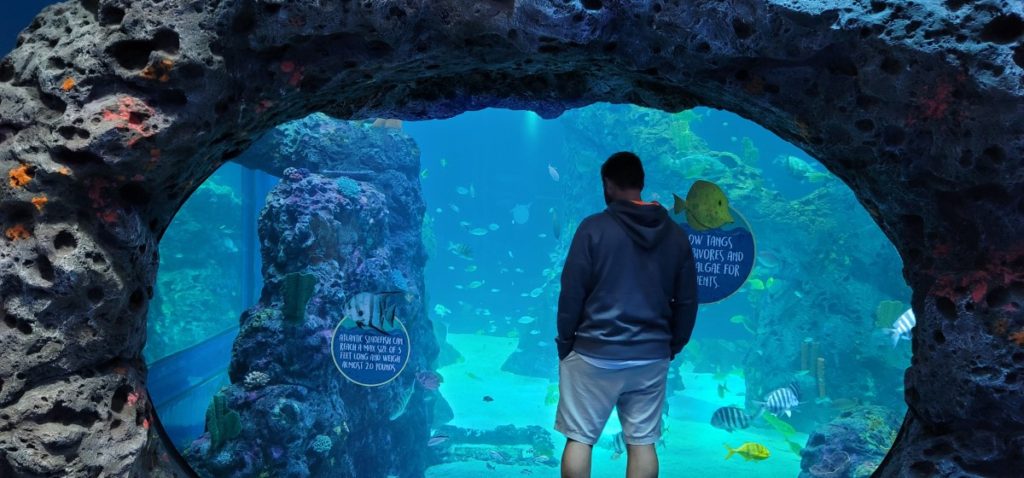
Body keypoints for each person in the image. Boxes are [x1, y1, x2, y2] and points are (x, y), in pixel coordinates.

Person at [554, 151, 699, 478]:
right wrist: (671, 345)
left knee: (579, 438)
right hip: (651, 355)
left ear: (607, 184)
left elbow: (572, 292)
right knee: (642, 443)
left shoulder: (593, 229)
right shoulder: (675, 235)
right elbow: (688, 300)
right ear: (641, 183)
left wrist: (566, 342)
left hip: (594, 354)